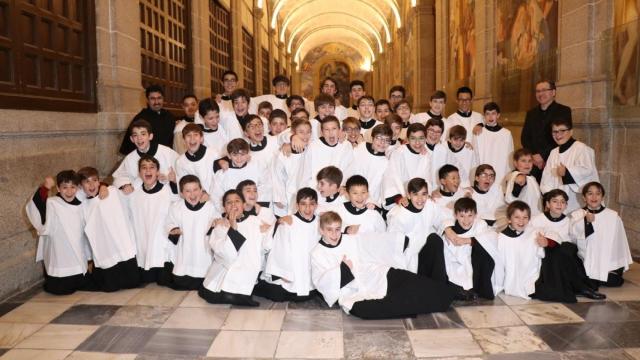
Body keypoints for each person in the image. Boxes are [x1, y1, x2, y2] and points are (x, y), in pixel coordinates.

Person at [310, 211, 456, 319]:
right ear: (321, 230)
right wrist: (343, 270)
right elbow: (322, 282)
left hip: (377, 275)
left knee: (413, 282)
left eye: (337, 229)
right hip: (353, 292)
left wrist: (398, 241)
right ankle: (434, 299)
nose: (335, 234)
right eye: (329, 230)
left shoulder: (349, 239)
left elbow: (373, 242)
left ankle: (444, 293)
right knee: (364, 311)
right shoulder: (317, 253)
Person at [199, 189, 270, 306]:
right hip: (225, 276)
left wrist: (274, 227)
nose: (233, 205)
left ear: (243, 204)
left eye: (237, 201)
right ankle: (232, 294)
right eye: (229, 202)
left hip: (250, 271)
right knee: (217, 295)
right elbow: (226, 255)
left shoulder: (255, 221)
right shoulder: (220, 226)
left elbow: (267, 243)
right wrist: (233, 228)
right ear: (224, 207)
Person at [25, 170, 92, 294]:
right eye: (65, 187)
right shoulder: (53, 203)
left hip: (77, 247)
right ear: (58, 188)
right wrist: (45, 188)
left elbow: (93, 190)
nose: (69, 191)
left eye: (73, 187)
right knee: (61, 289)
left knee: (82, 280)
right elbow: (38, 205)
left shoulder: (81, 204)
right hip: (58, 247)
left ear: (77, 188)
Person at [77, 167, 140, 292]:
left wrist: (105, 186)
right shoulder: (83, 206)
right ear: (81, 185)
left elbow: (121, 183)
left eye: (94, 180)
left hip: (121, 245)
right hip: (104, 250)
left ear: (99, 181)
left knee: (132, 283)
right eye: (87, 182)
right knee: (110, 287)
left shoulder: (111, 192)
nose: (91, 185)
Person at [256, 187, 320, 302]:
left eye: (311, 204)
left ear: (316, 205)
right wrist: (283, 273)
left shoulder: (320, 223)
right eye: (303, 204)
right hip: (289, 274)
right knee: (278, 296)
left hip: (310, 274)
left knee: (307, 296)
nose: (308, 208)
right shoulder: (288, 222)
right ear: (297, 205)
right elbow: (280, 249)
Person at [126, 155, 179, 285]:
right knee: (143, 280)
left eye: (152, 167)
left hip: (163, 249)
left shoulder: (168, 191)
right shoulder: (134, 195)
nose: (148, 171)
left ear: (157, 171)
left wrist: (173, 182)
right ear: (139, 173)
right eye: (144, 168)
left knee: (164, 281)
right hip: (143, 249)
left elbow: (179, 200)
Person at [570, 182, 633, 288]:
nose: (594, 197)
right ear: (584, 197)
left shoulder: (613, 217)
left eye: (598, 194)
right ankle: (592, 277)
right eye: (590, 193)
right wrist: (585, 221)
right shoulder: (577, 215)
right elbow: (573, 238)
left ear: (602, 197)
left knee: (615, 281)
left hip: (606, 264)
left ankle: (595, 277)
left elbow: (619, 245)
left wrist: (613, 266)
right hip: (584, 261)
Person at [386, 178, 450, 276]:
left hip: (425, 254)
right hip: (409, 261)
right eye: (415, 194)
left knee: (435, 239)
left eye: (423, 194)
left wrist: (449, 230)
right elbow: (394, 244)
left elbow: (443, 218)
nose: (420, 199)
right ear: (408, 195)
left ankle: (440, 286)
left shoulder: (429, 205)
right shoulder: (399, 215)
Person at [165, 175, 219, 290]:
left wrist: (215, 224)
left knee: (207, 279)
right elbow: (169, 222)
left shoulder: (210, 207)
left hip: (204, 250)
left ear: (201, 190)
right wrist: (173, 229)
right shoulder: (176, 207)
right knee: (180, 282)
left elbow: (217, 221)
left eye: (195, 190)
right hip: (185, 250)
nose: (192, 194)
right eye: (188, 191)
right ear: (181, 193)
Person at [441, 198, 500, 300]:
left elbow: (490, 239)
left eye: (470, 216)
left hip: (474, 263)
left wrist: (467, 241)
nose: (466, 220)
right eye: (462, 216)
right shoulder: (450, 229)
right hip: (456, 264)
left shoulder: (480, 224)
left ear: (476, 215)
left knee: (483, 248)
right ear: (455, 215)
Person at [540, 117, 599, 213]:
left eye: (562, 131)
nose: (558, 135)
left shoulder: (581, 148)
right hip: (557, 205)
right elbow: (546, 178)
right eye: (554, 132)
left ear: (571, 132)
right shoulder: (553, 152)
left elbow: (588, 171)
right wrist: (549, 199)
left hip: (576, 202)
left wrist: (567, 172)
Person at [521, 80, 572, 182]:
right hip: (533, 163)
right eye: (538, 91)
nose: (540, 94)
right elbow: (525, 137)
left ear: (553, 92)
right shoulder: (531, 113)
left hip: (554, 161)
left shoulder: (564, 110)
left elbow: (564, 136)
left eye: (544, 90)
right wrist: (533, 155)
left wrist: (543, 156)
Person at [112, 119, 178, 192]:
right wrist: (125, 185)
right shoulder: (130, 158)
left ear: (150, 136)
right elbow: (119, 177)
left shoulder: (167, 152)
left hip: (166, 196)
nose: (139, 138)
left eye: (143, 134)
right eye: (135, 135)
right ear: (132, 139)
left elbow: (183, 174)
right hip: (141, 197)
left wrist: (174, 180)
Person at [211, 138, 269, 213]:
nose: (239, 158)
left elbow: (266, 186)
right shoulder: (222, 174)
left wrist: (256, 206)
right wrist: (225, 213)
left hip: (256, 209)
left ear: (248, 153)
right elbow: (216, 196)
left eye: (242, 154)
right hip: (233, 213)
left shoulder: (257, 167)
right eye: (235, 155)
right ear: (229, 156)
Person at [298, 116, 353, 188]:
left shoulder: (346, 145)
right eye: (327, 129)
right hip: (317, 191)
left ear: (339, 130)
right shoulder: (313, 146)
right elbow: (305, 175)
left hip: (338, 191)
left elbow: (349, 170)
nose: (331, 133)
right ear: (322, 132)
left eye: (334, 129)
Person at [272, 118, 312, 216]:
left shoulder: (311, 149)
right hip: (288, 197)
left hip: (307, 198)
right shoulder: (283, 153)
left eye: (308, 132)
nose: (305, 136)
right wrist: (279, 198)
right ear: (293, 133)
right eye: (301, 132)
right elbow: (277, 176)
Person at [384, 123, 430, 207]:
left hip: (420, 199)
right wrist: (399, 198)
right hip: (402, 199)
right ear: (408, 139)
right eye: (413, 138)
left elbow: (427, 178)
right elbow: (392, 177)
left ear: (425, 139)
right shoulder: (399, 153)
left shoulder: (426, 155)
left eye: (421, 138)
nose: (417, 143)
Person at [120, 84, 175, 155]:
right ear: (147, 100)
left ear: (163, 99)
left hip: (166, 157)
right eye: (152, 98)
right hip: (147, 159)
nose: (156, 102)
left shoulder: (169, 116)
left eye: (159, 98)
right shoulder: (140, 118)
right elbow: (129, 146)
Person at [345, 124, 392, 206]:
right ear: (372, 137)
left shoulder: (386, 163)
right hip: (348, 194)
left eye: (387, 140)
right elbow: (349, 167)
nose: (382, 143)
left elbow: (377, 187)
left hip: (367, 202)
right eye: (379, 138)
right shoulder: (361, 147)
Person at [473, 102, 514, 189]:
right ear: (484, 116)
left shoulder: (506, 134)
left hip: (501, 174)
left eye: (493, 113)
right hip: (483, 175)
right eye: (487, 114)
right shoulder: (479, 133)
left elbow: (510, 157)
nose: (490, 117)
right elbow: (475, 155)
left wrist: (508, 177)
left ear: (498, 115)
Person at [175, 123, 220, 194]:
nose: (192, 138)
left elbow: (220, 179)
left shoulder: (213, 154)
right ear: (183, 140)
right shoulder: (180, 162)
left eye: (196, 135)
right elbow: (184, 187)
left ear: (201, 138)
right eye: (188, 135)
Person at [505, 148, 543, 216]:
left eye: (530, 161)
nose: (527, 164)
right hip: (523, 217)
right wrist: (518, 184)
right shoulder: (518, 175)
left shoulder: (532, 177)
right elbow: (513, 195)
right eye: (523, 161)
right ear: (515, 163)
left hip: (535, 215)